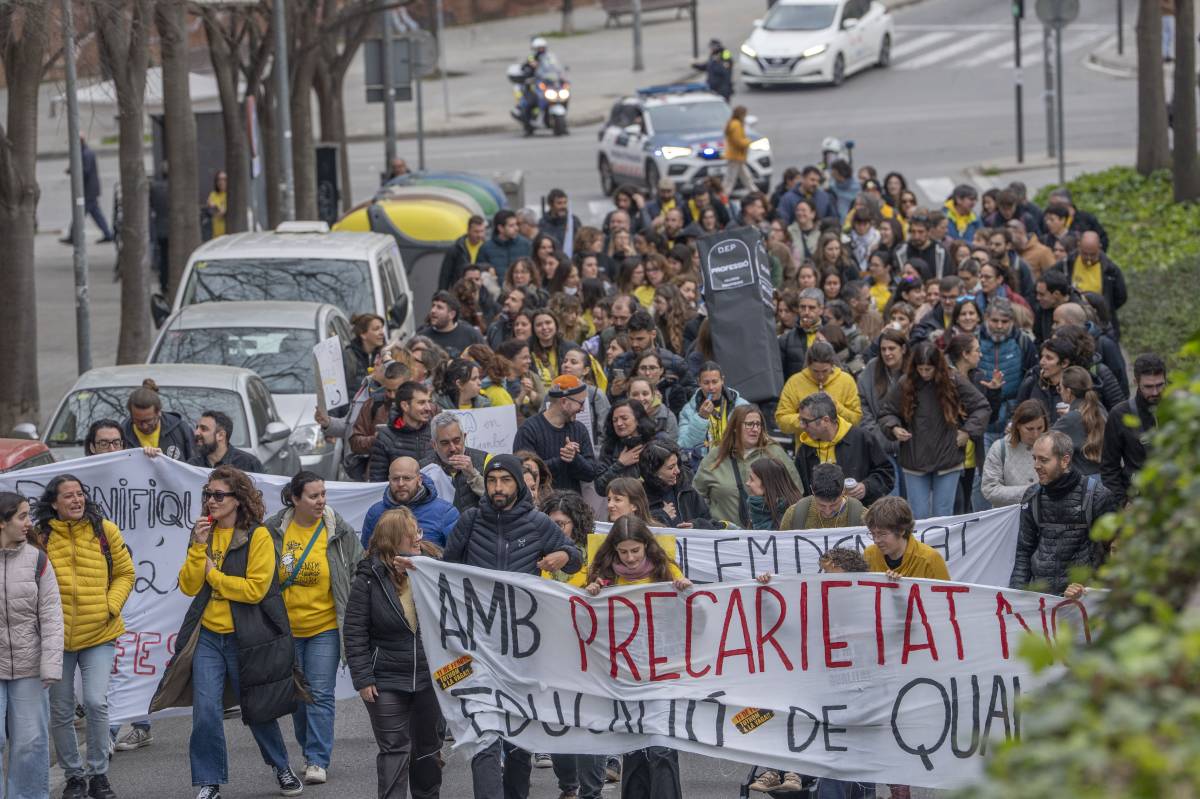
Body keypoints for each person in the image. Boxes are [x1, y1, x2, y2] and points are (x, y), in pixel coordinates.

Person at [419, 454, 580, 799]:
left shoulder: (538, 524)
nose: (497, 488)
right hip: (478, 647)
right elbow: (446, 574)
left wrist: (563, 557)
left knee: (519, 735)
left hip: (523, 649)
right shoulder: (471, 521)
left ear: (518, 484)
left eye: (505, 480)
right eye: (492, 481)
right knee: (485, 735)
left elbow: (575, 555)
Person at [150, 466, 308, 799]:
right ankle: (209, 781)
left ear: (238, 500)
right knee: (205, 713)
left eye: (218, 495)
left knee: (258, 708)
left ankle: (281, 766)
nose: (211, 501)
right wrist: (197, 548)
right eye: (207, 494)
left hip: (246, 637)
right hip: (209, 636)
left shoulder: (257, 535)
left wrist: (215, 575)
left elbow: (255, 590)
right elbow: (189, 584)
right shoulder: (203, 534)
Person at [36, 474, 135, 799]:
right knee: (62, 711)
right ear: (54, 503)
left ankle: (98, 776)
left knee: (95, 701)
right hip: (56, 640)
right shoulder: (40, 538)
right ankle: (74, 777)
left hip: (99, 633)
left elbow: (125, 572)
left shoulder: (104, 530)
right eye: (68, 496)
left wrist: (110, 605)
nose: (76, 500)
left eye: (80, 494)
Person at [263, 472, 364, 786]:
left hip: (325, 628)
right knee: (298, 696)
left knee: (320, 693)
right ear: (295, 499)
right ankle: (309, 748)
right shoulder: (275, 530)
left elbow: (359, 564)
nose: (321, 501)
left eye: (323, 494)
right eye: (313, 496)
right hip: (287, 630)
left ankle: (317, 760)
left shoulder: (337, 528)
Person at [584, 515, 689, 799]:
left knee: (661, 747)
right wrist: (592, 594)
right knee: (633, 748)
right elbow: (585, 622)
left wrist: (685, 593)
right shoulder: (604, 578)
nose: (630, 558)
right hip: (624, 674)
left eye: (635, 551)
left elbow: (693, 618)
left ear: (647, 547)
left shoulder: (668, 572)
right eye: (623, 552)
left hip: (662, 671)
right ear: (613, 550)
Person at [343, 507, 443, 799]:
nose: (417, 539)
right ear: (392, 539)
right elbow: (354, 631)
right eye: (411, 534)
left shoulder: (433, 568)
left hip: (429, 678)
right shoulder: (368, 579)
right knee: (394, 750)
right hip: (386, 680)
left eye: (419, 533)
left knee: (428, 750)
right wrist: (363, 679)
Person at [878, 340, 991, 519]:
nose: (924, 374)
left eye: (928, 369)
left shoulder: (954, 380)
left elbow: (982, 407)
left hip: (948, 457)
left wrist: (967, 431)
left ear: (937, 366)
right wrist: (894, 428)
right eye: (920, 369)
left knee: (943, 515)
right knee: (918, 516)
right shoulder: (905, 382)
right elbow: (886, 412)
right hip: (914, 458)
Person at [0, 491, 63, 799]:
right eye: (22, 516)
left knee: (30, 742)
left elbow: (52, 616)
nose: (28, 523)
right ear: (2, 523)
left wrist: (50, 664)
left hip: (29, 669)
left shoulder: (38, 559)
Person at [1009, 431, 1118, 595]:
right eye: (1035, 458)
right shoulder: (1032, 496)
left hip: (1082, 599)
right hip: (1041, 599)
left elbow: (1115, 552)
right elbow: (1024, 551)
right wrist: (1015, 597)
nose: (1036, 465)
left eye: (1043, 460)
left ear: (1065, 460)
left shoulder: (1098, 495)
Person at [694, 404, 799, 527]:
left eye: (758, 424)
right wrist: (708, 524)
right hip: (725, 539)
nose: (755, 429)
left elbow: (795, 494)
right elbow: (696, 497)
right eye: (749, 424)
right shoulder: (716, 456)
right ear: (735, 427)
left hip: (767, 536)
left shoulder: (775, 453)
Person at [791, 392, 894, 506]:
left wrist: (866, 487)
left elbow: (887, 474)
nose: (801, 426)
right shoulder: (804, 450)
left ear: (825, 420)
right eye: (800, 420)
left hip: (858, 516)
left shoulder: (862, 439)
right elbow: (797, 491)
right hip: (820, 519)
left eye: (806, 421)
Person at [319, 360, 410, 481]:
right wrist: (377, 439)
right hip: (377, 477)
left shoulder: (422, 407)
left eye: (380, 364)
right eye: (388, 390)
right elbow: (353, 436)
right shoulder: (372, 403)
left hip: (411, 477)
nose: (392, 395)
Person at [512, 374, 599, 493]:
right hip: (541, 507)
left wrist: (575, 458)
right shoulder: (529, 430)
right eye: (581, 403)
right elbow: (524, 472)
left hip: (573, 506)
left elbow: (591, 473)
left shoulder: (579, 429)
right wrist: (562, 459)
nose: (583, 409)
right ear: (564, 402)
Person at [1102, 353, 1166, 507]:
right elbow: (1109, 468)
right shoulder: (1119, 414)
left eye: (1160, 385)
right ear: (1135, 382)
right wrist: (1122, 503)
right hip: (1139, 501)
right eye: (1148, 387)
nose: (1155, 392)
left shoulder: (1178, 408)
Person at [776, 341, 863, 445]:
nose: (820, 376)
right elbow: (781, 420)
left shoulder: (846, 381)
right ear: (808, 365)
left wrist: (836, 407)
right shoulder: (795, 382)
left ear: (832, 365)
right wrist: (805, 421)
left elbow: (856, 420)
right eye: (815, 371)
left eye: (825, 371)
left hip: (841, 448)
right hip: (807, 450)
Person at [362, 456, 459, 548]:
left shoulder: (446, 513)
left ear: (419, 480)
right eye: (395, 479)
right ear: (389, 480)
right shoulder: (375, 513)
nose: (401, 484)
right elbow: (366, 555)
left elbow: (455, 559)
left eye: (407, 478)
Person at [1048, 231, 1127, 339]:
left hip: (1100, 321)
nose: (1089, 259)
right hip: (1072, 319)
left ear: (1099, 247)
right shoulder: (1067, 263)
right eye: (1085, 254)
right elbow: (1051, 279)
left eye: (1093, 254)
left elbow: (1121, 296)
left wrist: (1105, 306)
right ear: (1079, 246)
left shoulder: (1110, 269)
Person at [981, 399, 1049, 508]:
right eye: (1030, 429)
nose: (1036, 434)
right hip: (1010, 518)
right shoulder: (999, 448)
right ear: (1018, 425)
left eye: (1040, 428)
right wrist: (1028, 491)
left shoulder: (1053, 447)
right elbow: (989, 489)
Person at [862, 496, 949, 579]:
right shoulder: (869, 555)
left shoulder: (930, 559)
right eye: (873, 534)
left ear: (901, 530)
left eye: (883, 534)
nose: (876, 540)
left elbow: (945, 593)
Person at [676, 361, 749, 458]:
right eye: (706, 383)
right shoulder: (688, 411)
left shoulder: (741, 406)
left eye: (715, 382)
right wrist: (701, 418)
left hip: (735, 461)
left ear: (722, 380)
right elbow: (684, 446)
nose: (711, 387)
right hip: (704, 466)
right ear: (699, 382)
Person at [368, 382, 436, 482]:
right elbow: (377, 483)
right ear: (405, 406)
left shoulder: (435, 432)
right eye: (421, 403)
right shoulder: (385, 438)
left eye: (428, 402)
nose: (428, 408)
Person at [422, 411, 488, 512]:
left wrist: (473, 475)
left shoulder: (485, 459)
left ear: (464, 437)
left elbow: (498, 499)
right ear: (434, 445)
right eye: (445, 443)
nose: (452, 448)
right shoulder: (423, 468)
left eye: (457, 440)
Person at [639, 441, 714, 528]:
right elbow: (633, 528)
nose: (677, 471)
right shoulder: (639, 497)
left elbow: (710, 523)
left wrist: (695, 525)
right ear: (654, 471)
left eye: (677, 464)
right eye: (671, 467)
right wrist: (661, 516)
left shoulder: (687, 491)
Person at [120, 379, 196, 462]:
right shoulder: (121, 434)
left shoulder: (180, 430)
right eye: (138, 421)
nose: (144, 426)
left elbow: (195, 466)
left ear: (159, 412)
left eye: (148, 421)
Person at [594, 399, 660, 495]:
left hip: (652, 506)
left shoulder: (654, 444)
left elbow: (667, 479)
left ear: (638, 420)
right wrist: (620, 464)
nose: (619, 424)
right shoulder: (609, 447)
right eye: (615, 420)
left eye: (624, 418)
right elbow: (600, 488)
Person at [1052, 365, 1107, 476]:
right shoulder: (1100, 408)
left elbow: (1044, 443)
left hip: (1085, 482)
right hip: (1106, 476)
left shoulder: (1070, 420)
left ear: (1068, 391)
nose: (1060, 392)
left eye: (1060, 388)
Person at [780, 462, 865, 530]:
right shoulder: (793, 515)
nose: (827, 511)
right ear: (812, 490)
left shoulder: (863, 517)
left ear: (843, 491)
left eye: (834, 505)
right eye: (822, 505)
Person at [188, 410, 264, 472]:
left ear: (221, 435)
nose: (196, 433)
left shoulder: (248, 464)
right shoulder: (192, 465)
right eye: (197, 428)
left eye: (204, 429)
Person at [416, 292, 484, 358]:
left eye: (439, 307)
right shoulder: (422, 337)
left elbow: (487, 361)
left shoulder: (471, 335)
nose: (433, 311)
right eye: (433, 306)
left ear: (452, 314)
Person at [745, 457, 804, 530]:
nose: (747, 483)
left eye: (752, 479)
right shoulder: (756, 509)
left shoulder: (798, 514)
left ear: (767, 484)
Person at [439, 214, 489, 291]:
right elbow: (445, 276)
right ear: (468, 230)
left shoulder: (488, 248)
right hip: (460, 292)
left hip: (482, 293)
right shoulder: (456, 249)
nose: (479, 235)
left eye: (482, 231)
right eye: (476, 231)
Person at [478, 210, 532, 280]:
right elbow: (479, 271)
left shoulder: (526, 245)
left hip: (521, 289)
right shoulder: (486, 248)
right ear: (501, 228)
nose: (516, 228)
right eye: (511, 226)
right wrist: (486, 268)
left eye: (516, 224)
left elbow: (533, 272)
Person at [344, 314, 387, 391]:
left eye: (382, 328)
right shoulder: (349, 356)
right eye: (376, 329)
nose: (382, 333)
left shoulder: (383, 355)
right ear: (363, 334)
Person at [722, 106, 753, 194]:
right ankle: (724, 197)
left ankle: (755, 193)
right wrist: (747, 142)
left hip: (735, 156)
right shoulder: (736, 125)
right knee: (730, 180)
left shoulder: (732, 123)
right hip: (736, 156)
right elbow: (738, 141)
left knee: (746, 178)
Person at [206, 170, 227, 240]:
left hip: (228, 235)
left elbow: (223, 213)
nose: (221, 182)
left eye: (224, 179)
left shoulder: (230, 196)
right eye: (219, 179)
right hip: (216, 236)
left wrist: (215, 207)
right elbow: (211, 212)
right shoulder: (213, 195)